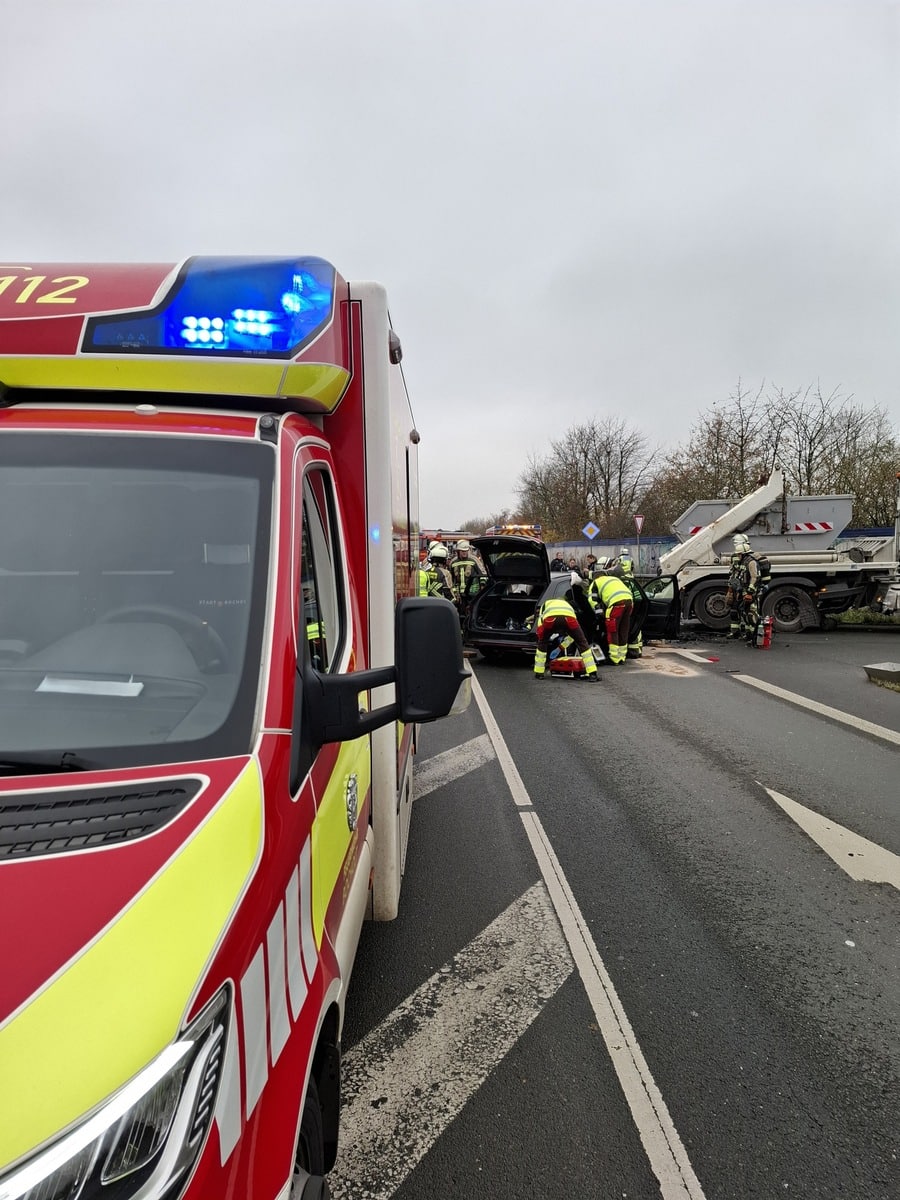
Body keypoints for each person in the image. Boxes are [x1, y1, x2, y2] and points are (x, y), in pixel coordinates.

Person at [532, 589, 598, 680]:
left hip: (550, 619)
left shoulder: (546, 603)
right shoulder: (568, 604)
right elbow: (573, 631)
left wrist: (541, 637)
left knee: (542, 643)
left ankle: (539, 673)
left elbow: (541, 620)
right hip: (569, 619)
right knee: (582, 643)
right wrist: (563, 646)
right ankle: (592, 674)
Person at [726, 533, 767, 644]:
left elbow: (755, 577)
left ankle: (753, 636)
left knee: (750, 614)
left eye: (740, 554)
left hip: (749, 591)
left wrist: (750, 592)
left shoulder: (751, 562)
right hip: (739, 590)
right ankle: (737, 632)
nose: (738, 556)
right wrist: (731, 588)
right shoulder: (738, 559)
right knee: (736, 611)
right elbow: (734, 573)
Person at [587, 571, 634, 665]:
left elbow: (592, 600)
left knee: (612, 630)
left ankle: (614, 658)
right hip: (629, 602)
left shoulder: (595, 582)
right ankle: (621, 656)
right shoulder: (614, 579)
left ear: (595, 578)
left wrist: (599, 614)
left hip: (616, 603)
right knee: (623, 630)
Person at [610, 546, 642, 658]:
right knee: (634, 627)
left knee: (621, 628)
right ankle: (635, 650)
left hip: (621, 603)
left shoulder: (619, 560)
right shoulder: (631, 561)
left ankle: (623, 652)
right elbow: (632, 567)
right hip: (631, 602)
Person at [448, 539, 484, 611]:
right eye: (462, 551)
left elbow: (482, 575)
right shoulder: (453, 563)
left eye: (466, 551)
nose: (464, 553)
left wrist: (482, 587)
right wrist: (455, 593)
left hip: (473, 593)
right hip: (459, 595)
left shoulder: (474, 561)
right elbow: (451, 580)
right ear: (458, 551)